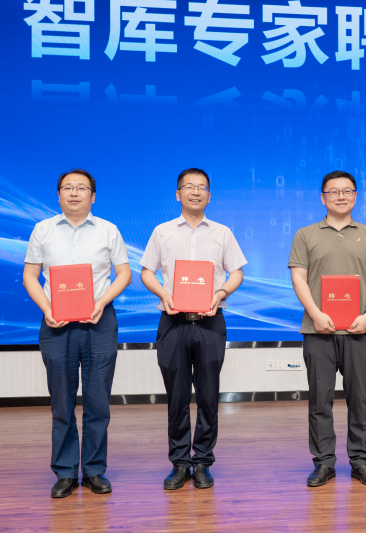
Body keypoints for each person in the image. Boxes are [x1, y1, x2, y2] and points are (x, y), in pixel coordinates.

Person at [23, 169, 132, 498]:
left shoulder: (108, 230)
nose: (74, 193)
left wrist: (102, 301)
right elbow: (30, 275)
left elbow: (124, 274)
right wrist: (47, 308)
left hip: (99, 322)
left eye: (81, 188)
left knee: (98, 403)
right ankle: (66, 472)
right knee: (62, 403)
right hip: (56, 324)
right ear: (58, 194)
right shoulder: (42, 229)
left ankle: (95, 470)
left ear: (93, 196)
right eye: (67, 188)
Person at [140, 168, 247, 490]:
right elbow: (147, 272)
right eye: (189, 187)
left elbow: (237, 272)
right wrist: (163, 293)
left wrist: (221, 293)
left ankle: (202, 462)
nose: (196, 192)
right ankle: (179, 463)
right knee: (176, 398)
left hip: (210, 322)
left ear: (209, 196)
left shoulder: (222, 233)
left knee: (208, 396)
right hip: (173, 322)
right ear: (178, 194)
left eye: (202, 187)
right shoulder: (162, 232)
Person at [288, 170, 366, 487]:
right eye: (334, 191)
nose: (341, 196)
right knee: (320, 400)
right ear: (323, 198)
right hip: (318, 330)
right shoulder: (305, 234)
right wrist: (316, 314)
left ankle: (361, 461)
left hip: (359, 329)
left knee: (359, 399)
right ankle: (324, 463)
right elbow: (298, 278)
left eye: (347, 191)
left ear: (355, 196)